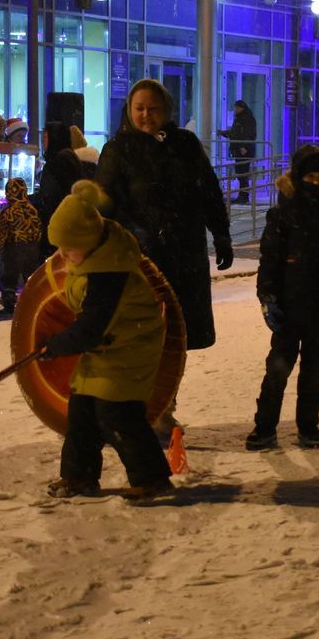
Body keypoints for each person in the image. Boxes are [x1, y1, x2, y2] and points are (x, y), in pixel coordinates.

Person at [95, 78, 233, 435]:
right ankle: (136, 411)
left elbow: (208, 190)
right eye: (139, 108)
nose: (145, 115)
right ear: (129, 110)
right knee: (142, 339)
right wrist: (133, 234)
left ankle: (163, 409)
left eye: (153, 108)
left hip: (184, 257)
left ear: (166, 110)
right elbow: (105, 204)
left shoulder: (185, 145)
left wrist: (221, 233)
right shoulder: (118, 150)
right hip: (139, 262)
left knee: (175, 339)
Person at [40, 181, 174, 501]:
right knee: (82, 410)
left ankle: (152, 478)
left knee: (118, 413)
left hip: (131, 345)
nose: (63, 255)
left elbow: (91, 327)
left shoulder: (108, 273)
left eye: (68, 247)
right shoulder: (89, 258)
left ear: (87, 242)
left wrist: (54, 346)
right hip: (108, 346)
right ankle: (78, 476)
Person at [245, 146, 319, 451]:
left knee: (313, 370)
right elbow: (269, 260)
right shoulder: (283, 215)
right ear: (299, 177)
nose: (314, 182)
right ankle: (265, 427)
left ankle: (309, 428)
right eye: (309, 176)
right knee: (278, 369)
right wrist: (268, 296)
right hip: (289, 305)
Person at [0, 177, 44, 319]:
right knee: (31, 279)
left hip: (13, 249)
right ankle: (34, 305)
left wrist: (0, 248)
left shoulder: (8, 212)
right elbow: (38, 229)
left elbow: (1, 233)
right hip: (32, 248)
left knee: (10, 279)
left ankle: (9, 306)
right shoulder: (32, 210)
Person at [33, 122, 85, 247]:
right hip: (69, 221)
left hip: (58, 221)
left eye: (45, 137)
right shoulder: (69, 156)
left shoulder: (57, 161)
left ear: (54, 138)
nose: (42, 141)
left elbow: (49, 195)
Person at [218, 99, 258, 205]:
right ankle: (243, 195)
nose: (235, 110)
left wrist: (243, 146)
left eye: (237, 108)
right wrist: (223, 133)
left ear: (242, 108)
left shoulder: (247, 119)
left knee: (243, 174)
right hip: (239, 150)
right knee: (240, 174)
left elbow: (249, 135)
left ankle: (244, 196)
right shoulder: (239, 119)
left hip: (245, 151)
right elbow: (234, 133)